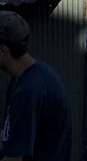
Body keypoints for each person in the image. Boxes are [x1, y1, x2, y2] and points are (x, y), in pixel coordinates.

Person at [0, 10, 70, 161]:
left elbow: (14, 158)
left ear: (3, 50)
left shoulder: (28, 91)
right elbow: (8, 138)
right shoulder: (25, 76)